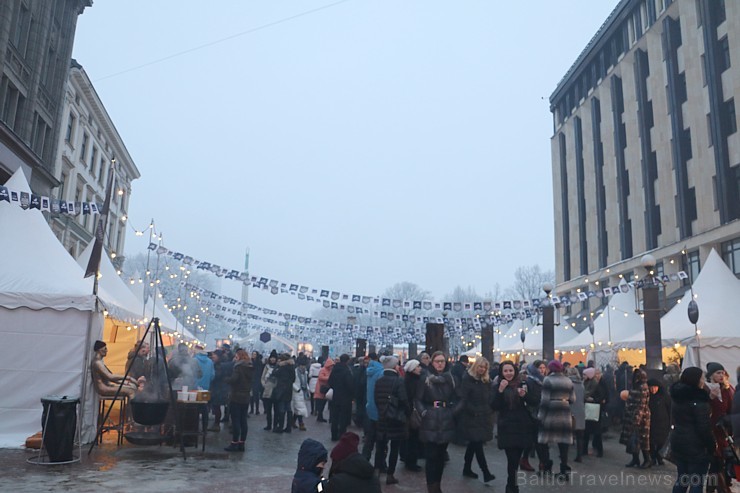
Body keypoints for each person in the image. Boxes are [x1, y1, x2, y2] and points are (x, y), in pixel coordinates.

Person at [415, 351, 461, 493]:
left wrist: (453, 412)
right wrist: (424, 412)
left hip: (446, 419)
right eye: (437, 361)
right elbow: (417, 399)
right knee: (431, 456)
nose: (440, 364)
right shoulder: (425, 378)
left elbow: (461, 398)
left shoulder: (452, 379)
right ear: (432, 362)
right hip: (430, 419)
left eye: (442, 361)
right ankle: (432, 487)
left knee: (441, 456)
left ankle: (437, 485)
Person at [670, 367, 716, 493]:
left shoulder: (677, 396)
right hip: (696, 446)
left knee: (682, 479)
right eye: (702, 378)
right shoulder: (698, 400)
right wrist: (712, 446)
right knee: (697, 483)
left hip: (679, 441)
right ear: (696, 379)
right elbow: (704, 428)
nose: (703, 381)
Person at [492, 360, 533, 493]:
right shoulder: (498, 385)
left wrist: (525, 396)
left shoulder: (522, 384)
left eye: (510, 370)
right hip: (507, 427)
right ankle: (512, 487)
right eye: (505, 371)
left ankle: (511, 485)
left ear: (515, 371)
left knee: (516, 459)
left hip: (521, 426)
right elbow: (494, 406)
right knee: (512, 459)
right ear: (502, 372)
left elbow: (534, 401)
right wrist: (500, 391)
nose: (508, 373)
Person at [458, 356, 495, 482]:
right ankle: (486, 472)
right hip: (471, 417)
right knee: (477, 444)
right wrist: (472, 410)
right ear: (476, 366)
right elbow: (464, 398)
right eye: (480, 366)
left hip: (483, 416)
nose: (482, 369)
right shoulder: (467, 379)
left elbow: (489, 397)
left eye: (484, 367)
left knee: (473, 445)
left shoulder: (486, 381)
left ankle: (466, 468)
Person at [538, 360, 575, 481]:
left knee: (544, 441)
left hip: (551, 412)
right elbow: (573, 399)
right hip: (565, 412)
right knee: (563, 442)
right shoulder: (568, 380)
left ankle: (547, 465)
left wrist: (540, 416)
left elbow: (544, 400)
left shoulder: (548, 380)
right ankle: (564, 469)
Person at [373, 355, 407, 485]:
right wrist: (406, 412)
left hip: (382, 417)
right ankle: (390, 475)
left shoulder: (379, 380)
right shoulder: (399, 381)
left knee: (381, 446)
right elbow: (403, 400)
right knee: (394, 447)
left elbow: (376, 398)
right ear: (394, 366)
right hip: (395, 418)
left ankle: (377, 470)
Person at [705, 362, 735, 492]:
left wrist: (728, 422)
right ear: (711, 375)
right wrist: (710, 397)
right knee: (716, 462)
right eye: (718, 373)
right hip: (710, 431)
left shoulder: (727, 389)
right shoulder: (705, 389)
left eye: (723, 373)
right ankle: (723, 490)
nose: (721, 375)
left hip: (723, 430)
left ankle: (711, 490)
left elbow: (731, 409)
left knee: (718, 463)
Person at [620, 368, 652, 468]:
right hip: (632, 415)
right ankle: (635, 459)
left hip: (641, 418)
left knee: (642, 439)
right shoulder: (636, 385)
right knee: (633, 439)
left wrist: (637, 419)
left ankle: (647, 460)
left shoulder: (643, 387)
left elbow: (641, 404)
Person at [522, 360, 550, 473]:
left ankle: (537, 462)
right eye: (540, 368)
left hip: (543, 412)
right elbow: (528, 398)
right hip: (532, 413)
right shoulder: (530, 381)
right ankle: (543, 463)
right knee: (538, 440)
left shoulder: (545, 381)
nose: (542, 370)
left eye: (544, 368)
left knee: (538, 440)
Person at [224, 349, 253, 452]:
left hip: (236, 396)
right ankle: (242, 443)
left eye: (236, 357)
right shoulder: (250, 367)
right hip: (246, 396)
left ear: (239, 357)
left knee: (235, 420)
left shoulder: (238, 367)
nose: (234, 359)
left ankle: (234, 443)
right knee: (243, 420)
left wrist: (226, 379)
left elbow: (234, 380)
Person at [402, 358, 424, 472]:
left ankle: (409, 460)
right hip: (413, 413)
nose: (420, 368)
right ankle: (411, 462)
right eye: (418, 367)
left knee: (410, 438)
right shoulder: (414, 381)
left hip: (409, 413)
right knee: (413, 438)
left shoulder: (408, 379)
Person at [362, 352, 383, 463]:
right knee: (381, 440)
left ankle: (364, 460)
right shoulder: (380, 372)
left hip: (370, 407)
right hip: (379, 409)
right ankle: (380, 464)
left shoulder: (369, 371)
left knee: (369, 438)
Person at [328, 354, 355, 441]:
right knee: (343, 417)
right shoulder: (347, 371)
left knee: (335, 417)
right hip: (345, 397)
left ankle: (333, 435)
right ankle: (341, 435)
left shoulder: (334, 369)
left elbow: (330, 382)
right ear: (347, 360)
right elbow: (350, 385)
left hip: (335, 396)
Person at [582, 367, 607, 457]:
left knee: (596, 431)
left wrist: (593, 400)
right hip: (589, 409)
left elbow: (601, 396)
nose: (583, 376)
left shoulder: (595, 384)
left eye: (585, 374)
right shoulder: (586, 383)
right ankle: (584, 450)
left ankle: (599, 451)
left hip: (594, 410)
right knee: (587, 431)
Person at [647, 379, 671, 465]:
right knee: (651, 442)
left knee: (662, 441)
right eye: (651, 387)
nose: (653, 389)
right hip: (651, 422)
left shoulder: (665, 396)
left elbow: (669, 409)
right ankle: (653, 457)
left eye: (655, 387)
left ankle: (659, 456)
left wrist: (671, 422)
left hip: (663, 423)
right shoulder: (647, 396)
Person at [272, 353, 296, 433]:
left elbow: (274, 373)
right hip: (289, 389)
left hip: (281, 389)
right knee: (288, 407)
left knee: (281, 408)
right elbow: (293, 379)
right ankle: (288, 427)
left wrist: (278, 366)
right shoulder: (292, 367)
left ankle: (280, 427)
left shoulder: (282, 367)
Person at [566, 367, 585, 463]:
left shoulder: (568, 384)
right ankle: (579, 455)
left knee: (567, 434)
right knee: (579, 435)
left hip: (570, 410)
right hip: (581, 410)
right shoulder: (581, 384)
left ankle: (564, 455)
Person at [208, 350, 228, 432]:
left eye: (214, 356)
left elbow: (217, 376)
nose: (212, 357)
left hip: (219, 389)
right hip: (218, 388)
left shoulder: (219, 366)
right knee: (216, 407)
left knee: (217, 407)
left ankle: (216, 425)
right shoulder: (219, 364)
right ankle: (216, 424)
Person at [261, 350, 279, 431]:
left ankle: (275, 425)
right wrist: (264, 385)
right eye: (271, 358)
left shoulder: (278, 367)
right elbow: (263, 377)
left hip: (276, 390)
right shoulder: (267, 366)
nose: (272, 359)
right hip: (268, 389)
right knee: (268, 410)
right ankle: (269, 425)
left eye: (274, 358)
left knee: (276, 410)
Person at [292, 354, 310, 431]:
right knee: (300, 409)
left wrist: (307, 389)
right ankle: (301, 424)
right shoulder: (295, 372)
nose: (303, 367)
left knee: (298, 409)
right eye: (301, 365)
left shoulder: (305, 373)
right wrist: (297, 389)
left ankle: (292, 421)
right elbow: (292, 382)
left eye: (304, 365)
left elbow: (306, 382)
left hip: (303, 392)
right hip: (297, 392)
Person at [314, 357, 334, 423]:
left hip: (325, 389)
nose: (332, 367)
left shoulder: (330, 370)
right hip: (321, 388)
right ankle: (320, 416)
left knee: (323, 403)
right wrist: (329, 378)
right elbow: (320, 377)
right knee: (320, 404)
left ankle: (320, 417)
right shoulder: (323, 370)